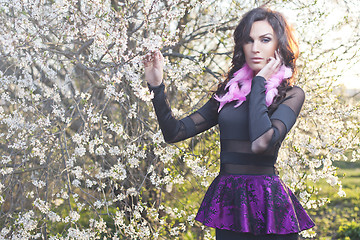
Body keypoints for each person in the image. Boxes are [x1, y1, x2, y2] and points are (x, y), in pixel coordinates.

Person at [143, 7, 315, 240]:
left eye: (265, 40)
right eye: (248, 40)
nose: (255, 48)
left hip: (270, 204)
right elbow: (174, 132)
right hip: (231, 202)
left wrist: (260, 82)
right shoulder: (228, 93)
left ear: (279, 45)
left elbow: (261, 143)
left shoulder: (291, 95)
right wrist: (157, 86)